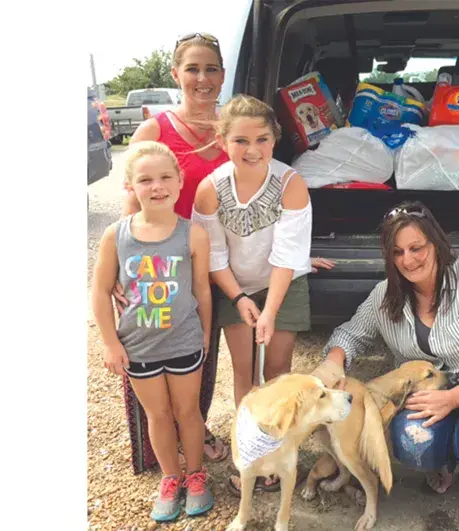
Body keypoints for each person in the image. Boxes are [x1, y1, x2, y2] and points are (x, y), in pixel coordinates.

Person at [113, 33, 335, 471]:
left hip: (217, 268)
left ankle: (205, 432)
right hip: (168, 266)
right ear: (176, 74)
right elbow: (130, 206)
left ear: (223, 74)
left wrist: (292, 259)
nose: (202, 78)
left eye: (211, 69)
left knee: (204, 357)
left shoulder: (236, 125)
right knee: (159, 355)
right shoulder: (155, 130)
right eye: (192, 69)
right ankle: (166, 453)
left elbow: (271, 216)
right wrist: (124, 270)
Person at [312, 200, 459, 514]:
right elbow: (349, 335)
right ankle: (441, 460)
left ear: (435, 243)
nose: (408, 260)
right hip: (427, 397)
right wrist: (332, 367)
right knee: (414, 445)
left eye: (416, 248)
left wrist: (455, 396)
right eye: (397, 252)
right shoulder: (385, 295)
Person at [192, 94, 313, 495]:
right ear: (222, 141)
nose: (253, 150)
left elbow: (287, 256)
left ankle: (276, 451)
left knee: (277, 370)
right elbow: (214, 254)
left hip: (283, 284)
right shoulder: (210, 189)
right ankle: (249, 451)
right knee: (244, 371)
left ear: (275, 140)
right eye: (240, 141)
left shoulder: (291, 185)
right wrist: (240, 298)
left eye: (262, 139)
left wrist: (270, 310)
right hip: (235, 285)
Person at [91, 141, 215, 521]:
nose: (157, 186)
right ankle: (170, 477)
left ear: (179, 181)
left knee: (188, 412)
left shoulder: (192, 234)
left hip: (183, 343)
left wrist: (205, 333)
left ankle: (196, 475)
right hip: (139, 348)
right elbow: (99, 290)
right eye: (145, 180)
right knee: (157, 415)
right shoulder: (116, 235)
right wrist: (110, 342)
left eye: (165, 177)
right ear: (130, 185)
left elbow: (202, 289)